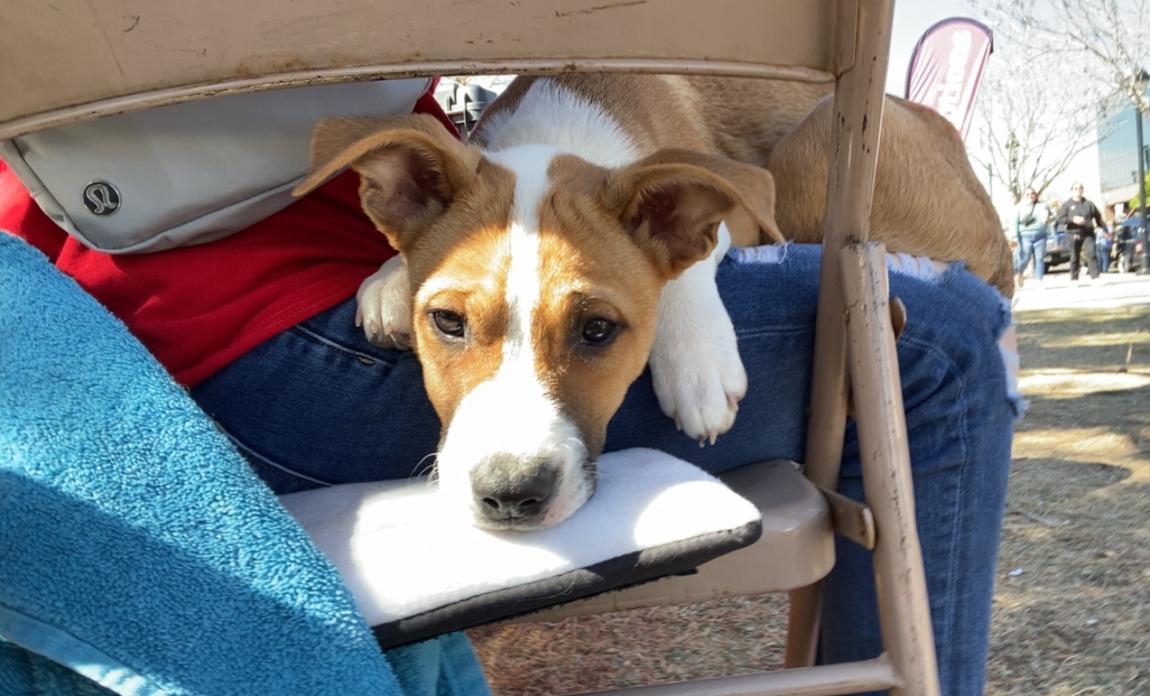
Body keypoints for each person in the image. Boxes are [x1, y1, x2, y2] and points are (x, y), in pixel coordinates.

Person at [1, 88, 1017, 696]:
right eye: (451, 320)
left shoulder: (598, 184)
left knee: (902, 242)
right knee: (943, 339)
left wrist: (695, 274)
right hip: (255, 339)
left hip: (146, 329)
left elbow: (686, 216)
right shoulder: (472, 195)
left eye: (593, 331)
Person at [1056, 182, 1107, 282]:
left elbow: (1098, 217)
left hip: (1088, 233)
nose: (1078, 190)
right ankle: (1074, 278)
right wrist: (1072, 220)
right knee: (1075, 256)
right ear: (1072, 191)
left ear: (1083, 190)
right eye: (1075, 188)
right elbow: (1060, 219)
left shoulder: (1089, 204)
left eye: (1080, 188)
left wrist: (1104, 229)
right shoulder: (1067, 205)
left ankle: (1095, 277)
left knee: (1091, 254)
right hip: (1073, 233)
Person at [1011, 188, 1051, 286]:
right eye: (1027, 194)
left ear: (1036, 195)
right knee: (1025, 258)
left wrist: (1049, 219)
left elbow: (1053, 215)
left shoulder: (1043, 205)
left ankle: (1038, 281)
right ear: (1024, 196)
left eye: (1032, 193)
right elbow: (1014, 222)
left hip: (1041, 235)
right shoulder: (1018, 207)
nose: (1030, 196)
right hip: (1025, 236)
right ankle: (1019, 272)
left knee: (1039, 258)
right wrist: (1014, 237)